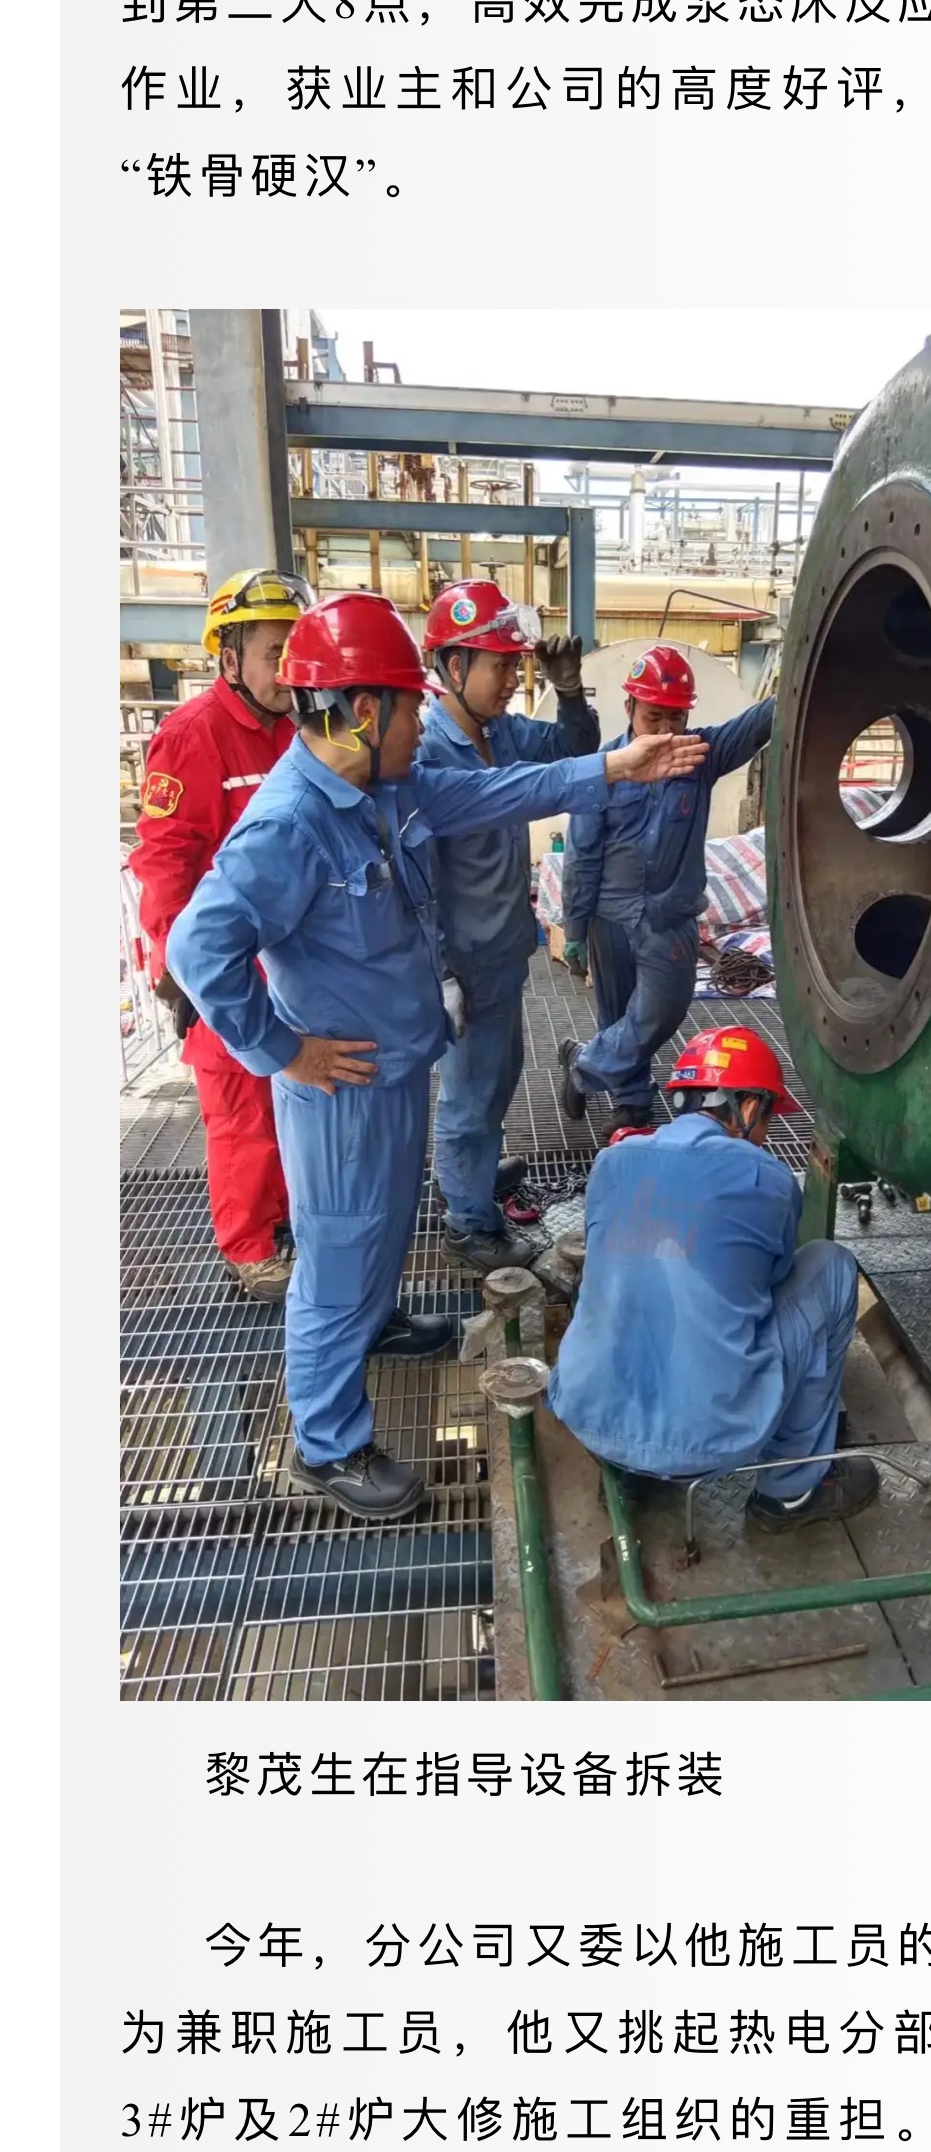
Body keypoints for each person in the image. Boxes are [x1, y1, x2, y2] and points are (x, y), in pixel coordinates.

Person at [167, 594, 706, 1520]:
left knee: (379, 1226)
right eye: (411, 707)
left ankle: (376, 1323)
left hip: (395, 1068)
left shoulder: (388, 790)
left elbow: (510, 791)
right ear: (362, 711)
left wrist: (619, 763)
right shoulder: (291, 824)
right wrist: (282, 1049)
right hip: (340, 1091)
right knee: (337, 1254)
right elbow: (197, 947)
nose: (423, 724)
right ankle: (327, 1444)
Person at [546, 1023, 875, 1520]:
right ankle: (791, 1489)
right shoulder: (768, 1178)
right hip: (713, 1440)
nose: (766, 1134)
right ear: (749, 1107)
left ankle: (630, 1467)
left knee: (623, 1272)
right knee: (831, 1266)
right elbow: (772, 1279)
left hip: (590, 1418)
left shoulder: (612, 1161)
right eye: (768, 1118)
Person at [131, 565, 305, 1292]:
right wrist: (181, 972)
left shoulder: (296, 728)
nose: (288, 669)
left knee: (284, 1104)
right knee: (241, 1116)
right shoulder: (192, 737)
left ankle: (284, 1219)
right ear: (229, 659)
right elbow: (165, 861)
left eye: (296, 650)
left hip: (287, 965)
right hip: (225, 969)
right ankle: (250, 1249)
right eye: (274, 653)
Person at [415, 580, 600, 1256]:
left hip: (502, 950)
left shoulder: (503, 734)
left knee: (497, 1077)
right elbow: (417, 881)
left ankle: (472, 1172)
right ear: (454, 666)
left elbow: (576, 752)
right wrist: (439, 972)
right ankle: (469, 1225)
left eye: (517, 666)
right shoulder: (427, 752)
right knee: (470, 1094)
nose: (513, 680)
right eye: (500, 665)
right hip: (464, 961)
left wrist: (570, 692)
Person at [559, 641, 775, 1129]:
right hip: (611, 916)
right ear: (629, 707)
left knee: (662, 1009)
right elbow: (581, 854)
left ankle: (583, 1065)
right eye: (653, 716)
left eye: (674, 718)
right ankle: (632, 1100)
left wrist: (809, 667)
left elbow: (759, 723)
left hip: (670, 916)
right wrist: (574, 928)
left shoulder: (700, 756)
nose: (663, 730)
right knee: (618, 1012)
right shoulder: (604, 769)